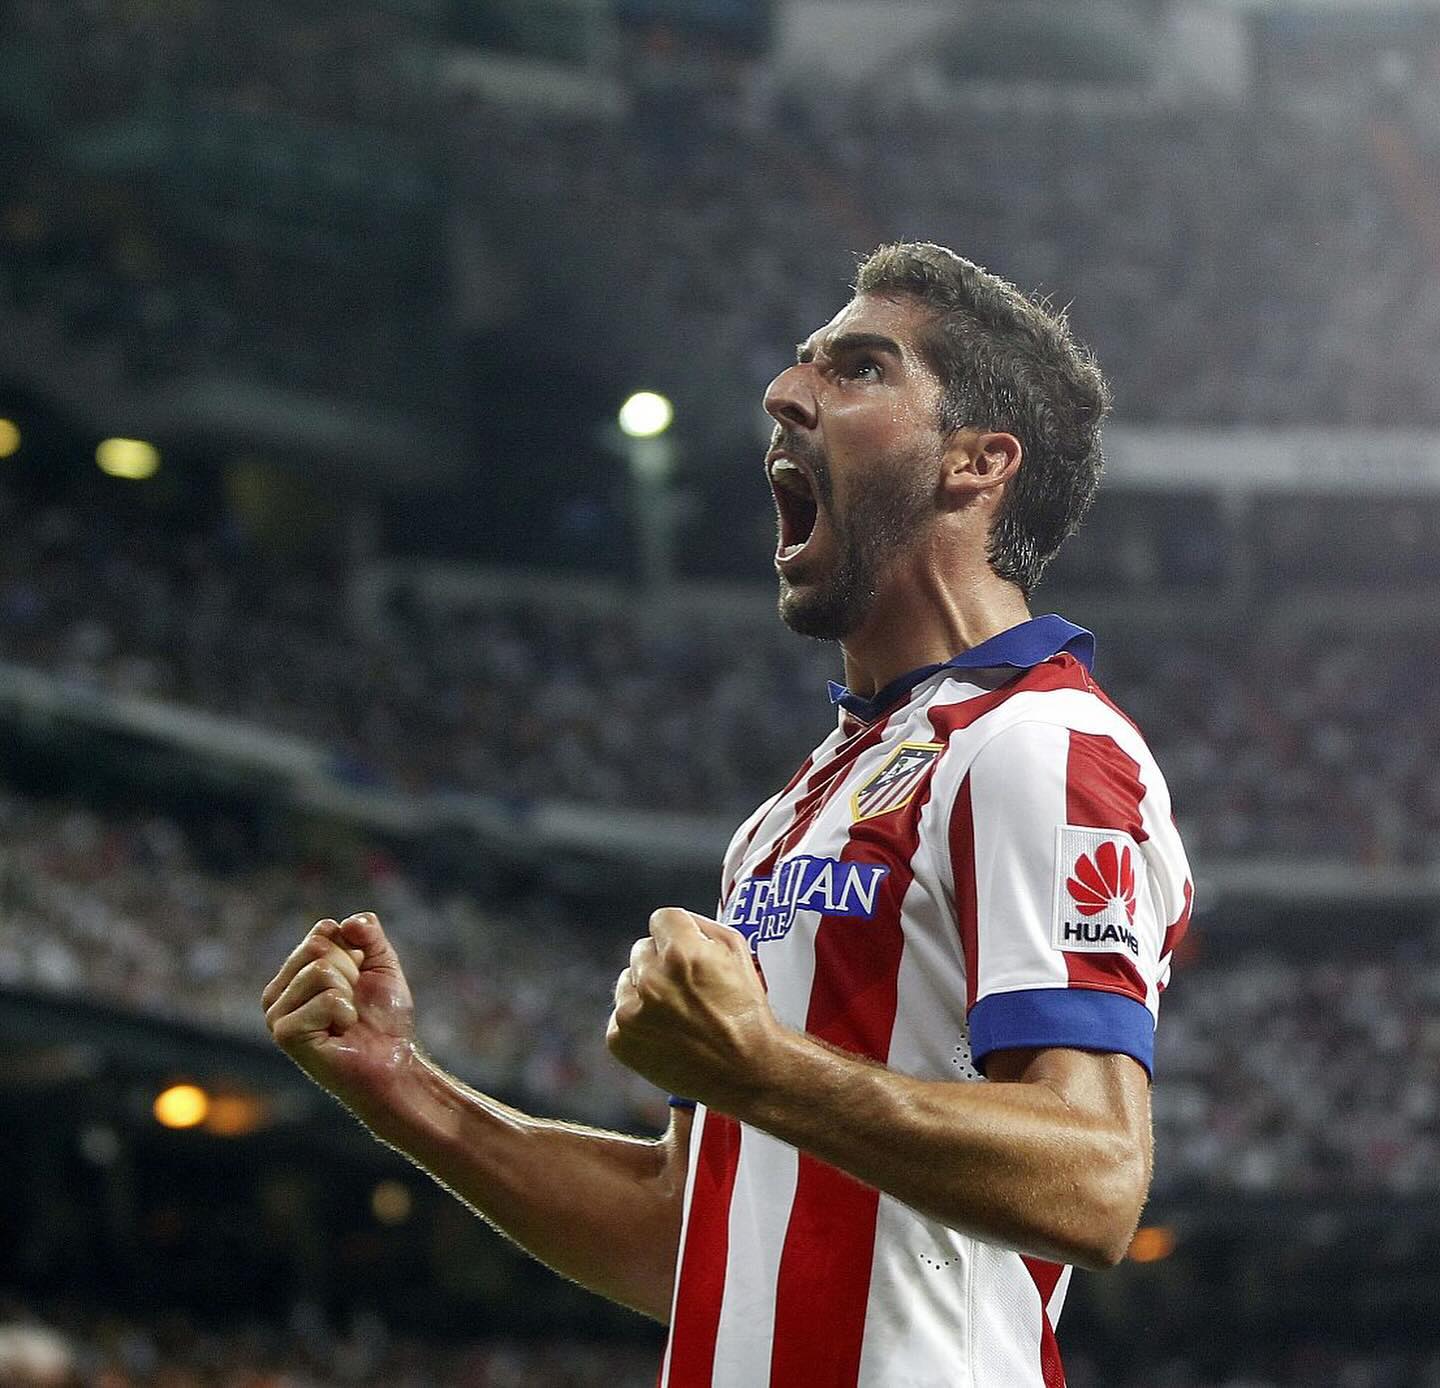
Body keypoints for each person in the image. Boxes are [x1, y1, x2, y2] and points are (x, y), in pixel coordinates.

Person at [262, 242, 1193, 1387]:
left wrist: (762, 1066)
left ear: (977, 462)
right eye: (802, 363)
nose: (784, 392)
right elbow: (679, 1230)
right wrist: (401, 1086)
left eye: (857, 369)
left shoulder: (1040, 744)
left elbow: (1096, 1177)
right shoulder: (786, 816)